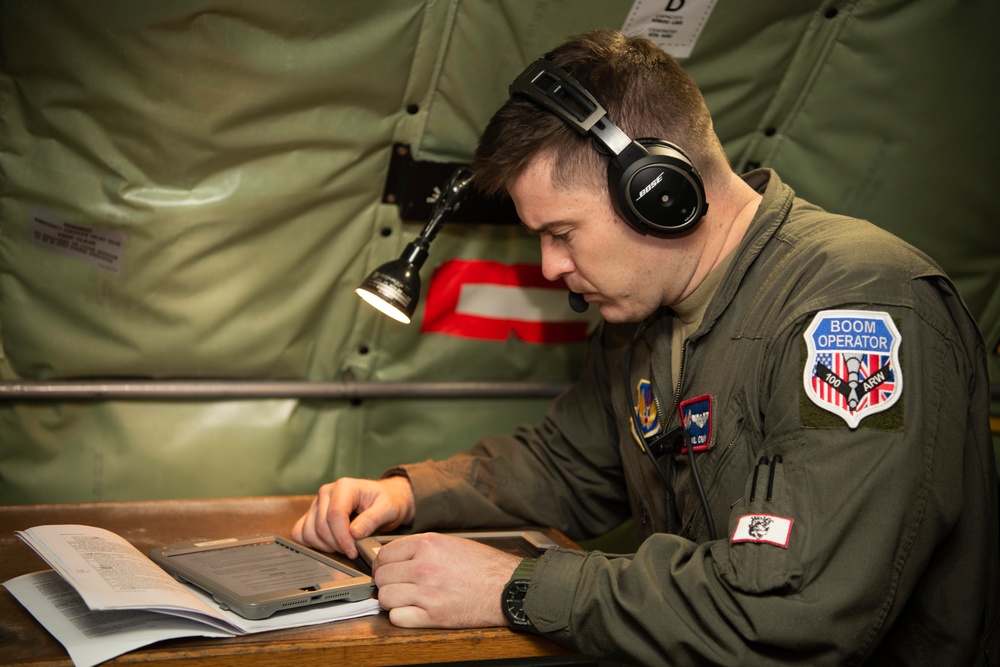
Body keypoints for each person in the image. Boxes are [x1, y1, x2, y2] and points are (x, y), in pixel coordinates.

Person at [293, 29, 999, 665]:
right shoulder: (640, 322)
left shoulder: (859, 307)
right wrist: (409, 493)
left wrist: (515, 586)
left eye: (561, 233)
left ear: (657, 192)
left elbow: (791, 610)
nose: (549, 269)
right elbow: (567, 463)